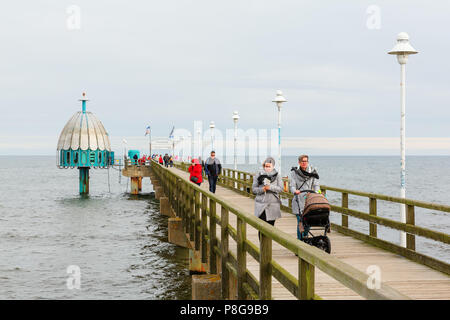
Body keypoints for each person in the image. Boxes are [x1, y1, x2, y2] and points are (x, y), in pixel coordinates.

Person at [289, 155, 320, 241]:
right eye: (302, 161)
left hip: (309, 200)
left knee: (308, 223)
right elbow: (292, 185)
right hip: (298, 200)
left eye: (306, 161)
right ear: (299, 162)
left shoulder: (313, 172)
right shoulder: (294, 172)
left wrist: (316, 191)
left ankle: (305, 238)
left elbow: (316, 184)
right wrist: (295, 191)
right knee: (300, 222)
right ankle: (299, 241)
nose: (304, 163)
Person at [252, 157, 283, 240]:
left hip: (273, 205)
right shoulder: (258, 175)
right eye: (266, 166)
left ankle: (268, 247)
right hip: (261, 204)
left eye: (269, 166)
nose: (267, 168)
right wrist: (262, 189)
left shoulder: (277, 176)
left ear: (273, 166)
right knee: (261, 228)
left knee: (270, 228)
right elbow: (254, 190)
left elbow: (280, 189)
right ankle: (262, 248)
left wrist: (270, 187)